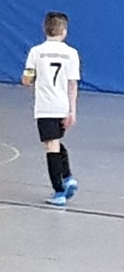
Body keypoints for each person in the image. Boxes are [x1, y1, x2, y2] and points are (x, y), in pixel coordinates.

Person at [22, 12, 81, 207]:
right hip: (62, 105)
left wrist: (32, 78)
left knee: (51, 146)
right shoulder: (71, 53)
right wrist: (72, 111)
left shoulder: (36, 52)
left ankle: (59, 190)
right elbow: (72, 84)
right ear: (64, 31)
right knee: (55, 140)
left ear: (45, 29)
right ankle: (68, 177)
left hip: (45, 106)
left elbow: (27, 79)